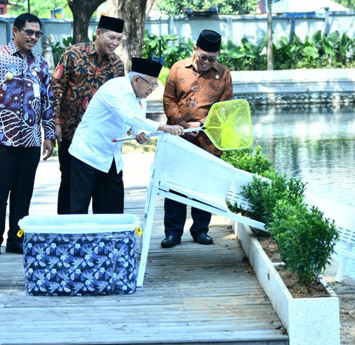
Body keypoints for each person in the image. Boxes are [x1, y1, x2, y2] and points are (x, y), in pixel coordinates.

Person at [0, 13, 55, 258]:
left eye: (37, 34)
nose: (33, 37)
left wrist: (49, 134)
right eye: (29, 32)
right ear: (15, 31)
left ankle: (17, 239)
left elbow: (47, 100)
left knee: (24, 192)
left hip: (30, 139)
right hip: (0, 140)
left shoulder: (41, 64)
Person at [68, 57, 184, 214]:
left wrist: (140, 133)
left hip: (111, 157)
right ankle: (76, 238)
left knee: (112, 208)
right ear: (137, 79)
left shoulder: (140, 98)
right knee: (78, 207)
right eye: (151, 84)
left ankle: (110, 238)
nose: (153, 89)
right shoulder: (114, 89)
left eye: (155, 85)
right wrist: (163, 127)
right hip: (87, 154)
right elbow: (128, 116)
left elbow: (137, 121)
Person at [160, 30, 233, 248]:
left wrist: (201, 125)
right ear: (195, 50)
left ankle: (200, 230)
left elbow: (225, 108)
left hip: (208, 139)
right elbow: (168, 100)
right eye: (203, 57)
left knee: (205, 186)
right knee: (175, 186)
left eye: (212, 59)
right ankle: (173, 233)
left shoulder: (224, 74)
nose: (206, 63)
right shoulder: (177, 69)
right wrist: (183, 125)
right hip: (179, 137)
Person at [51, 15, 125, 214]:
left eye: (119, 39)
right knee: (69, 184)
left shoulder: (118, 65)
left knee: (102, 187)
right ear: (98, 33)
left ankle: (100, 236)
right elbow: (56, 88)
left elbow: (120, 101)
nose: (115, 43)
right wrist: (56, 122)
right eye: (112, 37)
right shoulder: (73, 54)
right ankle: (68, 234)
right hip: (71, 133)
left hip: (100, 139)